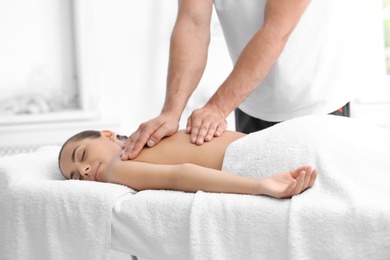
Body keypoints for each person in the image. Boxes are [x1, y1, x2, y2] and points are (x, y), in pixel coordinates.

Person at [120, 0, 366, 160]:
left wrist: (217, 107)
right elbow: (192, 23)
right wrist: (171, 112)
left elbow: (277, 30)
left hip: (316, 101)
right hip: (250, 101)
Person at [58, 129, 317, 199]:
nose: (84, 171)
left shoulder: (119, 161)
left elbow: (182, 174)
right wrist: (260, 185)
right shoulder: (118, 169)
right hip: (276, 142)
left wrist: (261, 185)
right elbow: (181, 174)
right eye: (76, 177)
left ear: (107, 134)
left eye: (82, 156)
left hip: (262, 150)